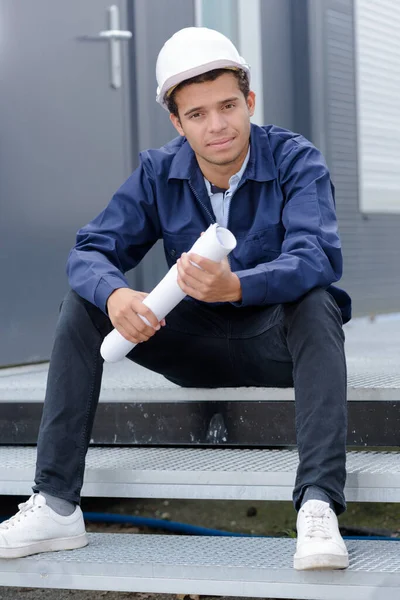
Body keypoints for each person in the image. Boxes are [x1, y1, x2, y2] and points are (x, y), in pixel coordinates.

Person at [0, 27, 351, 570]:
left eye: (229, 106)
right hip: (192, 347)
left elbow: (317, 256)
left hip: (277, 346)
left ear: (249, 101)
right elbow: (90, 248)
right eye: (197, 114)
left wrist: (238, 285)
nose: (217, 126)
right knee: (84, 303)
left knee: (317, 300)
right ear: (177, 122)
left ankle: (319, 505)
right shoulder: (158, 172)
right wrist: (116, 294)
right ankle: (57, 504)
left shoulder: (295, 161)